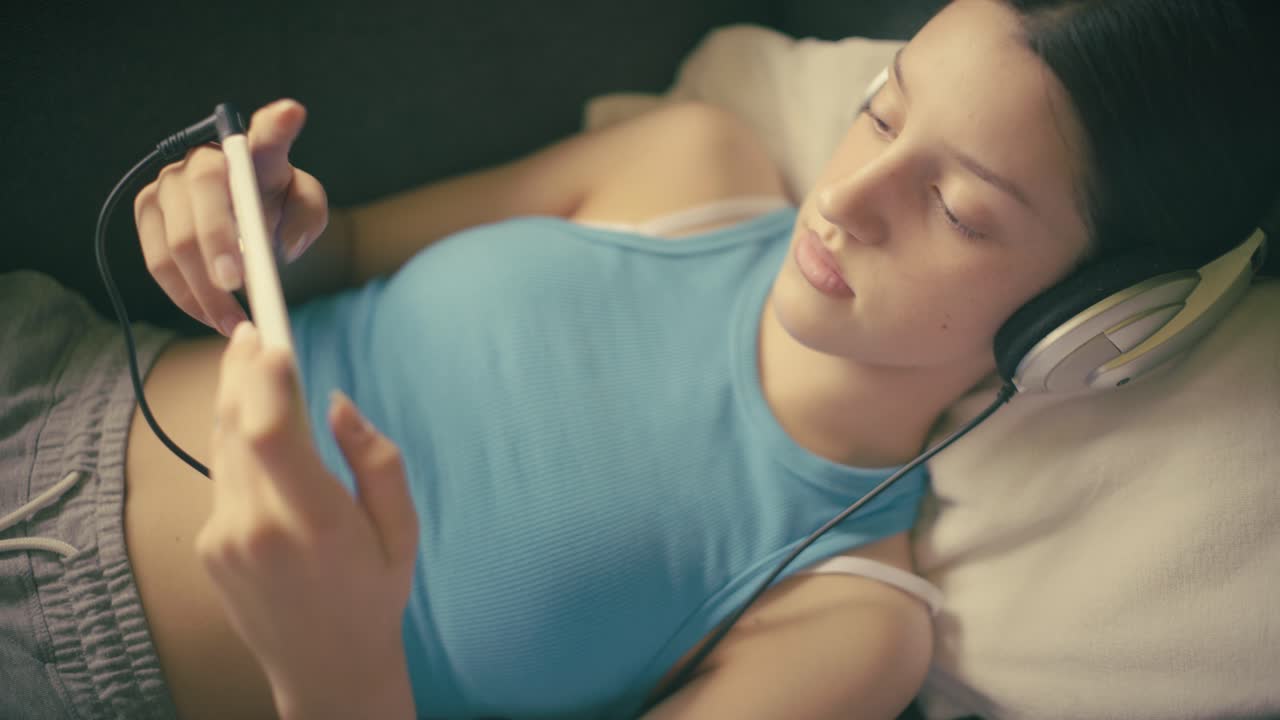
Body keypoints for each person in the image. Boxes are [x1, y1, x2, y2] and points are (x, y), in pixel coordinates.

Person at [1, 0, 1276, 718]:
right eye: (882, 110)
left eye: (957, 210)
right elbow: (338, 257)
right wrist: (249, 224)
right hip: (51, 371)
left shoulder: (839, 629)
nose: (850, 196)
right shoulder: (685, 164)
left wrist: (330, 668)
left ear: (1095, 323)